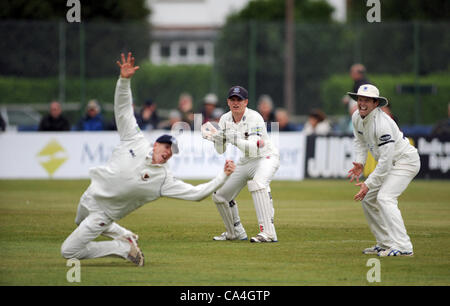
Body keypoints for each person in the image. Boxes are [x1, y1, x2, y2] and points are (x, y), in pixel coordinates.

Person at [61, 52, 236, 266]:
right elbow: (123, 111)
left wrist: (223, 175)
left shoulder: (163, 180)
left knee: (69, 251)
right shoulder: (135, 140)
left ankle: (122, 248)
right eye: (166, 146)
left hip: (103, 214)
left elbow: (197, 194)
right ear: (156, 144)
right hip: (90, 196)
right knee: (79, 221)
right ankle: (126, 236)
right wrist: (124, 81)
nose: (168, 152)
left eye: (172, 151)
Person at [347, 84, 420, 257]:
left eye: (366, 100)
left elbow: (386, 162)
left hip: (405, 162)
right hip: (390, 163)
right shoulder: (356, 116)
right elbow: (360, 141)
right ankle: (385, 242)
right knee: (369, 199)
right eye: (360, 99)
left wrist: (368, 183)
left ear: (375, 103)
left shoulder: (383, 124)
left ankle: (404, 247)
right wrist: (360, 162)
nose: (362, 103)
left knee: (385, 197)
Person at [201, 85, 280, 243]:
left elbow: (253, 146)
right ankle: (235, 232)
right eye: (233, 99)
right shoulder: (224, 119)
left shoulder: (254, 117)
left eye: (239, 100)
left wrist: (232, 138)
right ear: (228, 102)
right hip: (247, 161)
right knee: (220, 195)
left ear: (246, 102)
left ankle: (268, 233)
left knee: (258, 184)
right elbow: (220, 150)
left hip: (266, 157)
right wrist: (216, 139)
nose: (236, 103)